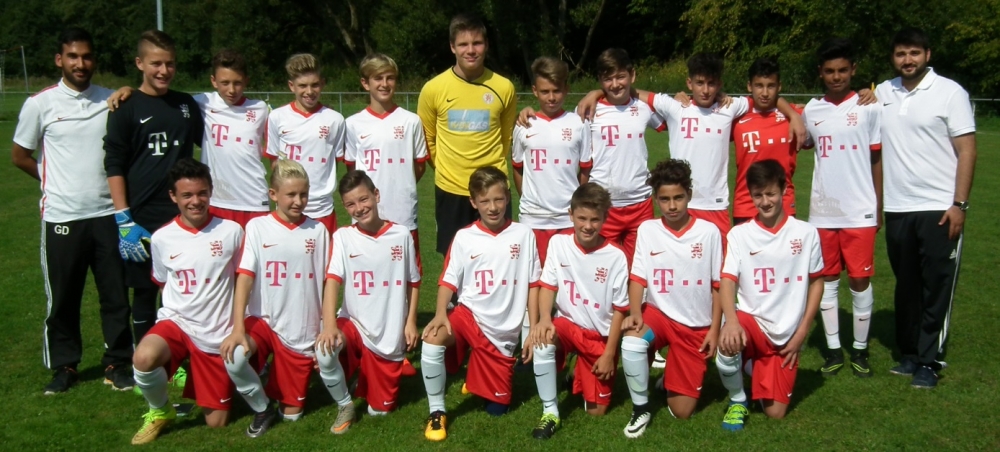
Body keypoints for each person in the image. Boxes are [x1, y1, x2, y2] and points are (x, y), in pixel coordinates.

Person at [11, 27, 134, 394]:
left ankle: (118, 362)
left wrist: (128, 90)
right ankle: (65, 366)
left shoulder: (110, 100)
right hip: (62, 217)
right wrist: (51, 183)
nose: (81, 63)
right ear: (59, 60)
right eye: (73, 56)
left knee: (115, 295)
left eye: (87, 56)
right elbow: (20, 155)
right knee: (64, 297)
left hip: (107, 214)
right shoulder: (40, 104)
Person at [875, 27, 977, 389]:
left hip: (939, 207)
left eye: (914, 53)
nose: (908, 60)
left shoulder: (950, 92)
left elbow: (967, 150)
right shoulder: (882, 92)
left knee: (936, 286)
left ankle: (930, 361)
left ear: (927, 55)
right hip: (898, 208)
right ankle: (909, 354)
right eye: (901, 53)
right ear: (893, 57)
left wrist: (959, 204)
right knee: (907, 287)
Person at [419, 167, 541, 441]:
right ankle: (437, 411)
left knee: (497, 410)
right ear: (473, 202)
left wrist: (532, 328)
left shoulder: (524, 234)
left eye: (498, 199)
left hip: (502, 334)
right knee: (433, 337)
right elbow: (448, 280)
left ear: (508, 197)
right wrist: (440, 313)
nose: (493, 207)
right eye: (485, 201)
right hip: (468, 315)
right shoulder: (464, 237)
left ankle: (477, 376)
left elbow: (534, 284)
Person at [130, 159, 243, 445]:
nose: (196, 201)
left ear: (211, 191)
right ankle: (160, 411)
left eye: (202, 193)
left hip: (217, 332)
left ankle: (221, 377)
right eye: (187, 195)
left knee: (216, 423)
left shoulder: (231, 231)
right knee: (143, 357)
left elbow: (244, 282)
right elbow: (163, 282)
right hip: (178, 322)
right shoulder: (161, 238)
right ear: (173, 196)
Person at [103, 29, 204, 348]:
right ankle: (146, 363)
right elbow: (114, 164)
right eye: (156, 63)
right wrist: (124, 218)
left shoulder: (186, 104)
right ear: (140, 63)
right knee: (145, 292)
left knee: (182, 290)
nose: (164, 71)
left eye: (170, 63)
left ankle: (180, 360)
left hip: (183, 216)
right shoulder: (126, 107)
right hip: (142, 217)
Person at [218, 159, 330, 438]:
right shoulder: (257, 227)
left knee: (291, 416)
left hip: (300, 329)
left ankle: (279, 382)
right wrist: (238, 327)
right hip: (263, 320)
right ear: (273, 194)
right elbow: (245, 277)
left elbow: (328, 282)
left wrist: (325, 325)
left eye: (303, 194)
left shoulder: (318, 231)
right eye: (291, 194)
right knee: (234, 357)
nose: (298, 201)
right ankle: (262, 406)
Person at [715, 159, 823, 431]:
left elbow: (817, 282)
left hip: (786, 334)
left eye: (771, 193)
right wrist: (731, 321)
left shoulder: (806, 233)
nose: (765, 202)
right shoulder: (739, 234)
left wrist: (801, 333)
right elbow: (727, 280)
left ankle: (751, 365)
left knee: (775, 413)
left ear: (784, 189)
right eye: (758, 195)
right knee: (727, 339)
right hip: (751, 322)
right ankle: (738, 399)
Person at [107, 49, 270, 228]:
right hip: (216, 199)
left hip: (254, 198)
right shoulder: (201, 103)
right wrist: (128, 91)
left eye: (237, 83)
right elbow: (155, 99)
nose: (231, 90)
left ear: (246, 81)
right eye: (225, 82)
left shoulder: (261, 109)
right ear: (213, 81)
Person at [619, 159, 722, 438]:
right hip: (659, 315)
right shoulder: (648, 229)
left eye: (678, 197)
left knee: (681, 411)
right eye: (664, 199)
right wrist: (636, 313)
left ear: (689, 194)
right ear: (656, 199)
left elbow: (718, 286)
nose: (672, 206)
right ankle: (640, 408)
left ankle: (673, 372)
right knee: (632, 340)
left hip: (695, 325)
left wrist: (714, 329)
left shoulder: (709, 232)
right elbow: (638, 277)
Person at [802, 38, 882, 378]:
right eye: (830, 71)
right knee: (828, 279)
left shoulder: (869, 107)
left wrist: (878, 206)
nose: (837, 77)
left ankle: (860, 350)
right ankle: (834, 350)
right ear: (821, 73)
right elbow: (800, 137)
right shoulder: (811, 110)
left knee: (860, 280)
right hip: (823, 212)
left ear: (853, 70)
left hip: (860, 210)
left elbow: (876, 158)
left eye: (843, 70)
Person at [317, 170, 421, 431]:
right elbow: (332, 281)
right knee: (324, 349)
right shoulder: (343, 236)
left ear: (376, 195)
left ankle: (363, 377)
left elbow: (413, 282)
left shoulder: (401, 235)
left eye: (363, 199)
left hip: (388, 335)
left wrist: (410, 322)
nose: (359, 208)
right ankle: (345, 404)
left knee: (380, 412)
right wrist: (329, 326)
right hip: (353, 324)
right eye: (351, 204)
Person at [527, 182, 628, 439]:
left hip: (598, 337)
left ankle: (577, 368)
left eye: (595, 219)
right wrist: (544, 319)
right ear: (570, 215)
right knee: (543, 338)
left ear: (605, 217)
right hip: (567, 325)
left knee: (596, 412)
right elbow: (547, 285)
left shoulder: (616, 256)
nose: (588, 226)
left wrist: (609, 353)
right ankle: (550, 412)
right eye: (582, 218)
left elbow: (620, 310)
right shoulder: (558, 243)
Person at [417, 13, 517, 255]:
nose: (470, 50)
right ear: (452, 47)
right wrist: (448, 168)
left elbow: (506, 138)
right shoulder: (433, 89)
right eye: (463, 44)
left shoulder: (504, 87)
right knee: (454, 261)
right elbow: (427, 139)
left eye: (477, 43)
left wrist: (490, 173)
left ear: (486, 45)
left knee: (500, 257)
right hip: (451, 189)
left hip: (494, 190)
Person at [512, 56, 592, 265]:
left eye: (556, 91)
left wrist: (576, 202)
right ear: (534, 91)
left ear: (566, 89)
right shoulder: (524, 124)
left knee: (568, 274)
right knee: (534, 276)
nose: (551, 97)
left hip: (567, 217)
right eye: (545, 91)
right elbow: (517, 168)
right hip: (533, 217)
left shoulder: (579, 123)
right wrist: (528, 198)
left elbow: (585, 169)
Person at [266, 53, 346, 233]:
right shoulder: (277, 117)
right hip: (287, 209)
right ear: (291, 86)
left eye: (314, 85)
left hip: (322, 209)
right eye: (302, 86)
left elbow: (335, 162)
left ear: (322, 83)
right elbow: (275, 163)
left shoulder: (335, 120)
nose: (309, 91)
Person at [730, 57, 800, 224]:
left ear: (779, 86)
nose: (765, 93)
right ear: (749, 86)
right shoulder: (736, 116)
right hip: (746, 204)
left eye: (771, 86)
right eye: (759, 86)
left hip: (783, 203)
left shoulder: (794, 117)